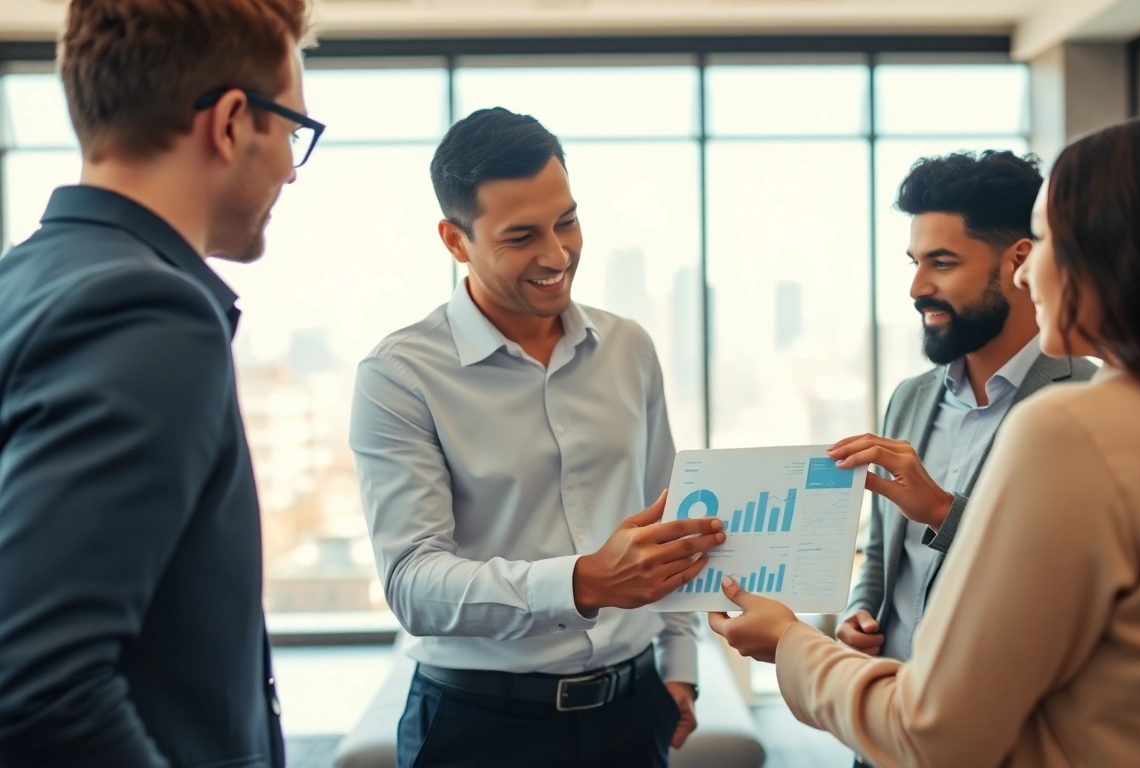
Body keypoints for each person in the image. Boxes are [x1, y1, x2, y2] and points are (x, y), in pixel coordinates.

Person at [710, 108, 1140, 767]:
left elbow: (935, 732)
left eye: (1042, 241)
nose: (1023, 273)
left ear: (1119, 256)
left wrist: (790, 644)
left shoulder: (1073, 427)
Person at [349, 107, 721, 768]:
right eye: (521, 236)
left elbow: (667, 517)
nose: (557, 255)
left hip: (633, 710)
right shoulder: (400, 375)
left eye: (566, 221)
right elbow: (412, 583)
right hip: (478, 728)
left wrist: (679, 666)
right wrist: (584, 582)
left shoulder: (629, 348)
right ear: (455, 240)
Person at [0, 2, 319, 766]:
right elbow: (38, 682)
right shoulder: (148, 310)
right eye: (292, 132)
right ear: (232, 123)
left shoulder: (26, 280)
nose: (290, 170)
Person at [837, 151, 1095, 675]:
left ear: (1019, 261)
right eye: (915, 263)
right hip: (886, 706)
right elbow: (883, 550)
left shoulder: (1088, 402)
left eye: (942, 263)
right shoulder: (909, 398)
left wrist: (941, 511)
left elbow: (1065, 572)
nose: (917, 288)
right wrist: (860, 610)